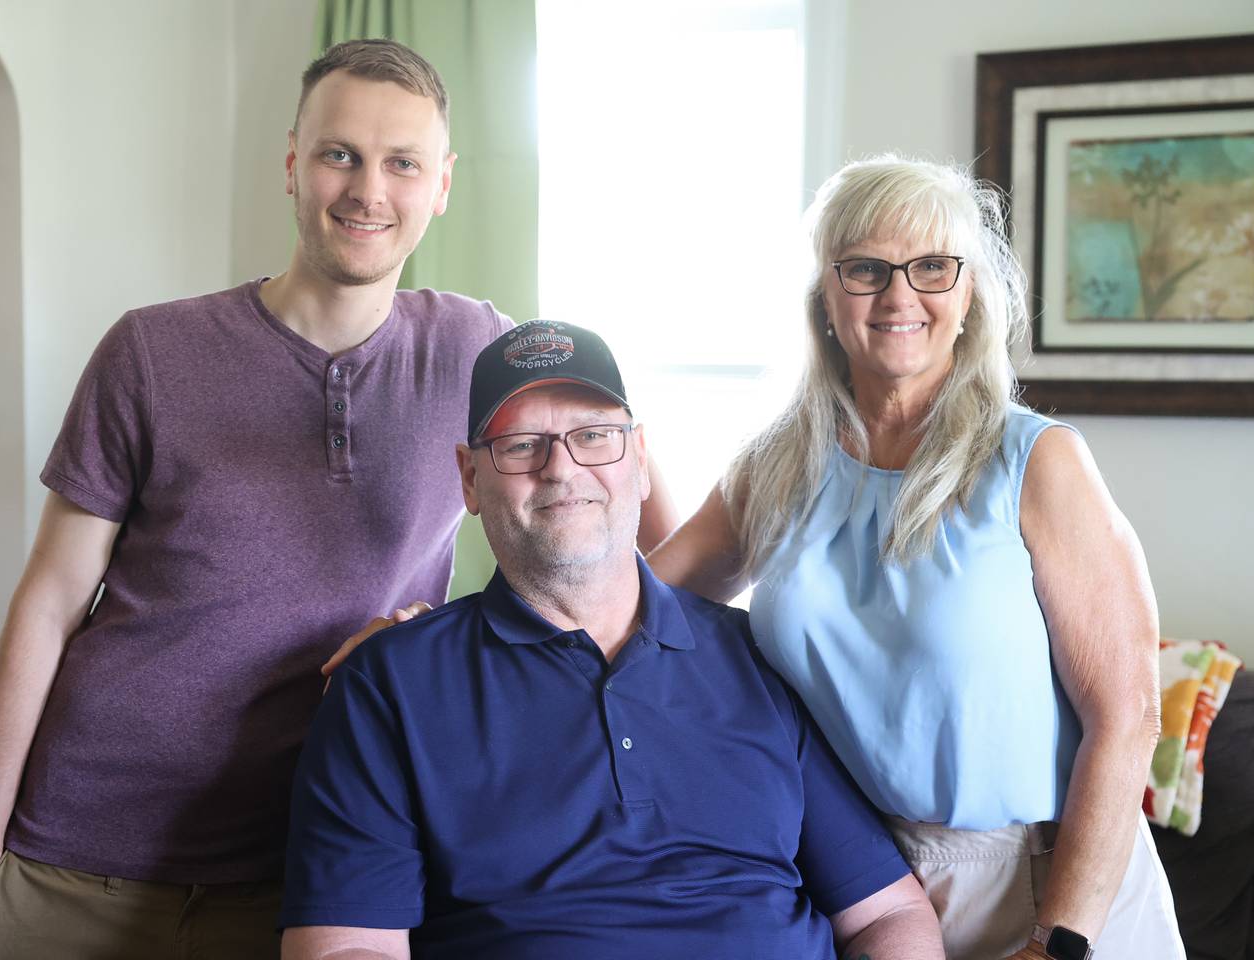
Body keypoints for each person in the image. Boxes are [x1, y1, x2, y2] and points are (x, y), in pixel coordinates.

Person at [0, 40, 671, 960]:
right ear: (294, 163)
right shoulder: (150, 351)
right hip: (71, 862)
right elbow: (49, 604)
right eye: (341, 154)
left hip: (304, 876)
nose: (369, 190)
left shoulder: (479, 351)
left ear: (440, 184)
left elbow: (637, 518)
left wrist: (435, 637)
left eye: (402, 163)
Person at [648, 156, 1185, 960]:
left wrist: (1057, 942)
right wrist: (443, 639)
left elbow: (1129, 717)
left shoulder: (1036, 462)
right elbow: (634, 601)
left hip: (1052, 882)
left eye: (932, 266)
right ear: (827, 299)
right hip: (868, 887)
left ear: (968, 295)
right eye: (866, 268)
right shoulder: (776, 465)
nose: (900, 295)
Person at [279, 319, 946, 960]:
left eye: (594, 436)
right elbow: (347, 941)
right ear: (469, 478)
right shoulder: (391, 685)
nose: (561, 469)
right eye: (520, 445)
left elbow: (888, 912)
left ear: (641, 459)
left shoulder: (760, 657)